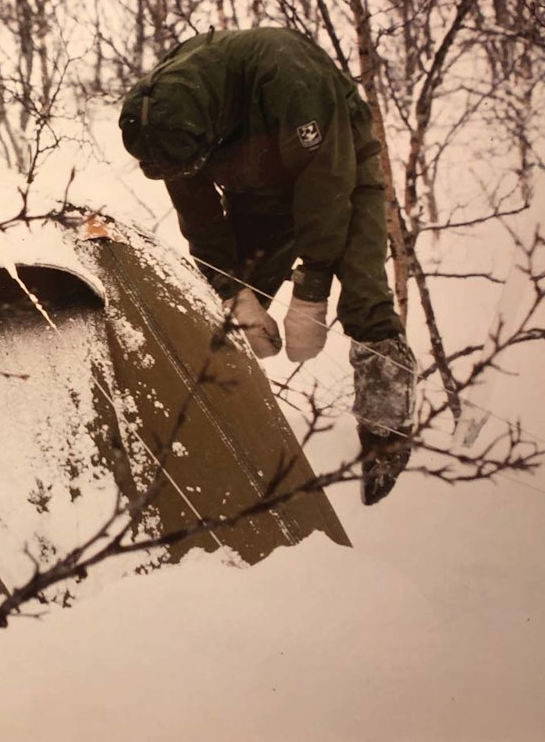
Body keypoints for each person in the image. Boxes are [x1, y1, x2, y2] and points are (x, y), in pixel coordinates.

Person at [118, 26, 415, 505]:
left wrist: (312, 286)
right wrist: (230, 291)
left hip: (338, 161)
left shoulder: (287, 74)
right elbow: (198, 212)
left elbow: (328, 183)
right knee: (222, 322)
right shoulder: (162, 121)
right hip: (253, 180)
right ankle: (216, 430)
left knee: (363, 294)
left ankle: (387, 435)